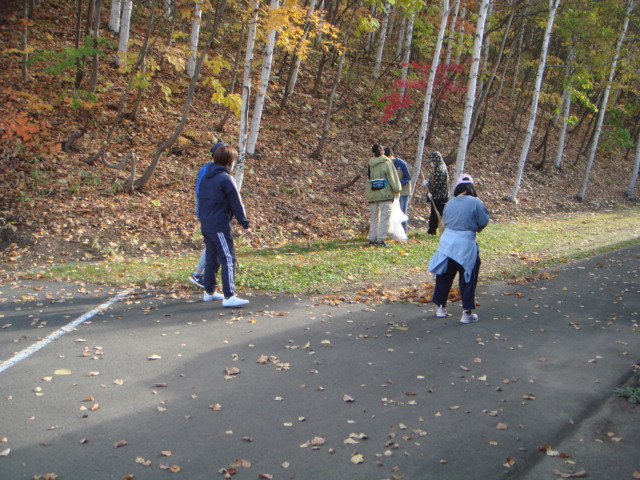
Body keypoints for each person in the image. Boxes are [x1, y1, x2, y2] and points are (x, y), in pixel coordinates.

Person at [428, 173, 490, 324]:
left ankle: (440, 308)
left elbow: (445, 221)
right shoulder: (476, 202)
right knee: (468, 277)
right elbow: (483, 221)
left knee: (444, 276)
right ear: (471, 187)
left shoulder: (450, 203)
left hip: (447, 244)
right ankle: (466, 313)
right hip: (466, 244)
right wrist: (473, 228)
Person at [197, 144, 253, 307]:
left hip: (206, 223)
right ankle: (229, 296)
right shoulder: (226, 179)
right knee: (228, 257)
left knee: (212, 257)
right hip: (219, 224)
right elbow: (236, 203)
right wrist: (245, 224)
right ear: (230, 162)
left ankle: (209, 291)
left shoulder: (206, 176)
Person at [189, 141, 227, 288]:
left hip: (211, 211)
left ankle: (203, 275)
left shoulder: (214, 170)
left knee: (214, 243)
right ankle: (199, 274)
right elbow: (202, 193)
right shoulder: (208, 170)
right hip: (209, 211)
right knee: (214, 242)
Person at [365, 144, 401, 247]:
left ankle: (372, 238)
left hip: (373, 194)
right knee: (385, 217)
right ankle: (381, 239)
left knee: (374, 218)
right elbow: (392, 176)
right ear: (381, 151)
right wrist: (396, 190)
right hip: (384, 193)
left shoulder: (370, 163)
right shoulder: (387, 162)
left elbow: (369, 178)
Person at [384, 147, 411, 232]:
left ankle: (404, 231)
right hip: (393, 193)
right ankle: (395, 231)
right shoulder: (386, 165)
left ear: (391, 155)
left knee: (402, 211)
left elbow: (408, 177)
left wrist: (398, 184)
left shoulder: (401, 164)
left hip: (403, 192)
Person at [425, 151, 449, 235]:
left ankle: (432, 230)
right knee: (436, 213)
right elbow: (433, 180)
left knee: (435, 214)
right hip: (440, 195)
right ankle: (434, 229)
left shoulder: (439, 169)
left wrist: (430, 191)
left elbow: (436, 184)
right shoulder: (439, 167)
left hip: (439, 196)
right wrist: (428, 183)